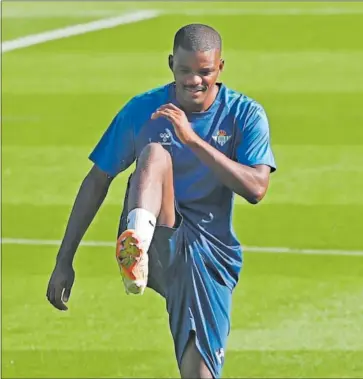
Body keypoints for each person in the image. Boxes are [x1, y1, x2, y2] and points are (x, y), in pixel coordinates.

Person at [46, 23, 276, 379]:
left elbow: (257, 188)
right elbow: (96, 181)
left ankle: (138, 249)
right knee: (154, 153)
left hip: (210, 254)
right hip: (158, 236)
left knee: (198, 373)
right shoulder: (143, 110)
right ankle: (134, 247)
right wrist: (64, 260)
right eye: (185, 71)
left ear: (220, 68)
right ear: (171, 63)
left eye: (205, 72)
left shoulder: (244, 114)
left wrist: (192, 139)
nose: (195, 81)